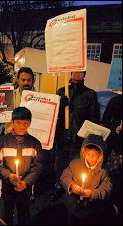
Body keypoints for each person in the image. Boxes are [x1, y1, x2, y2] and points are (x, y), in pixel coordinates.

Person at [0, 67, 36, 197]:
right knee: (7, 164)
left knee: (28, 165)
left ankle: (27, 190)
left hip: (29, 137)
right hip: (10, 135)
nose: (26, 82)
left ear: (33, 80)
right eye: (23, 79)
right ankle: (2, 187)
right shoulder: (10, 93)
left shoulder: (39, 97)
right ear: (17, 80)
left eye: (28, 80)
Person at [0, 107, 43, 225]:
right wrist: (8, 175)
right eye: (18, 122)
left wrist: (26, 182)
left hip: (25, 187)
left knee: (24, 212)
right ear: (12, 122)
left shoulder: (35, 143)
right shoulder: (1, 142)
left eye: (25, 123)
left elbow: (37, 167)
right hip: (8, 185)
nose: (22, 126)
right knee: (7, 212)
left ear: (29, 123)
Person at [51, 71, 100, 201]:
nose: (77, 75)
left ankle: (76, 188)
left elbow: (94, 118)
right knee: (61, 164)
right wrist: (62, 106)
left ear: (84, 74)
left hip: (79, 139)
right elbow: (55, 115)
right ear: (71, 73)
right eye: (75, 72)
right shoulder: (62, 92)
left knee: (77, 165)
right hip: (63, 137)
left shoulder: (90, 94)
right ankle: (58, 186)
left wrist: (86, 135)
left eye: (80, 72)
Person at [60, 134, 117, 225]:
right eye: (88, 154)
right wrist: (71, 185)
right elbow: (64, 176)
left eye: (94, 155)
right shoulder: (75, 164)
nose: (90, 157)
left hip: (92, 208)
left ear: (100, 156)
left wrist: (93, 193)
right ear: (83, 153)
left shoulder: (103, 171)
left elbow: (107, 189)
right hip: (72, 204)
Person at [101, 95, 122, 223]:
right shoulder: (115, 101)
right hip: (117, 151)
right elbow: (105, 123)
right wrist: (115, 129)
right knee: (113, 186)